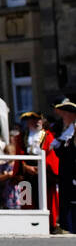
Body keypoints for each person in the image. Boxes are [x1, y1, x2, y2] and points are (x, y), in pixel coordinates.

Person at [20, 111, 59, 232]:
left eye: (38, 119)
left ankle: (50, 225)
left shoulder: (48, 136)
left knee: (47, 198)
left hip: (44, 173)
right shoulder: (22, 136)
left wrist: (41, 167)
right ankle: (29, 223)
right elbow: (18, 154)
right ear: (27, 122)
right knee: (27, 198)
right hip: (28, 173)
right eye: (32, 120)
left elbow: (52, 155)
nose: (36, 122)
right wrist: (25, 166)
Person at [50, 99, 75, 233]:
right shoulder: (65, 130)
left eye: (65, 113)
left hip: (73, 172)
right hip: (65, 172)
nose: (63, 116)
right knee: (66, 199)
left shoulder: (73, 130)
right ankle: (66, 226)